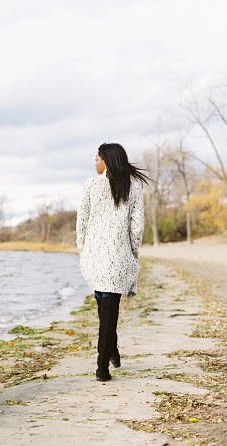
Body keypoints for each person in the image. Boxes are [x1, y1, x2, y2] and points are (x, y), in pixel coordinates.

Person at [76, 143, 150, 382]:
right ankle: (112, 351)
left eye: (97, 159)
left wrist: (82, 250)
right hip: (118, 258)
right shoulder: (134, 187)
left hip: (94, 258)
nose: (94, 163)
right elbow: (137, 228)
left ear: (106, 161)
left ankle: (101, 368)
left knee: (105, 310)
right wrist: (133, 254)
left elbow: (82, 224)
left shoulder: (90, 185)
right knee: (107, 310)